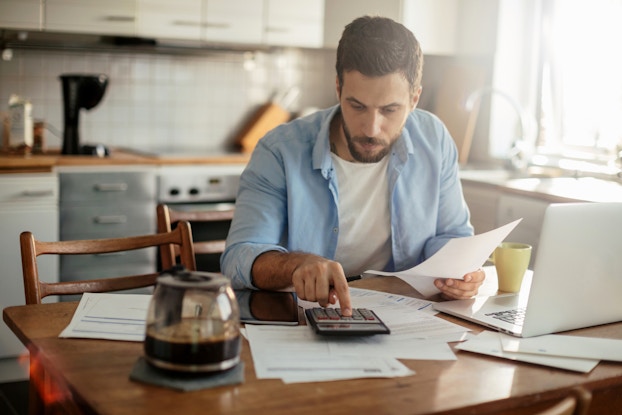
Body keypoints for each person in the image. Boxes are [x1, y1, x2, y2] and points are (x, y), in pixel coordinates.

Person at [221, 15, 484, 316]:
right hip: (301, 319)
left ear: (414, 99)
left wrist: (461, 273)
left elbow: (452, 235)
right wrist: (297, 265)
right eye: (357, 105)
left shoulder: (434, 139)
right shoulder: (280, 150)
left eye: (389, 109)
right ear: (338, 88)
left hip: (402, 316)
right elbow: (239, 257)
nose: (371, 128)